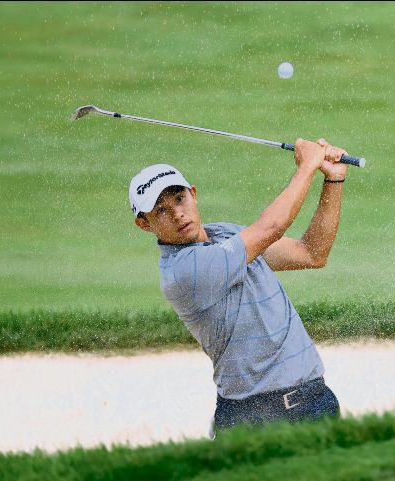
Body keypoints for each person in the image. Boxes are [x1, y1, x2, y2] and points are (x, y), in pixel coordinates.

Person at [128, 138, 349, 433]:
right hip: (255, 418)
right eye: (161, 211)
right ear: (145, 224)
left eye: (179, 199)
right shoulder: (183, 271)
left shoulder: (226, 235)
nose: (178, 213)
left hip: (315, 402)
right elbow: (271, 227)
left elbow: (312, 252)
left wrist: (333, 181)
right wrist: (308, 165)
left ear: (193, 194)